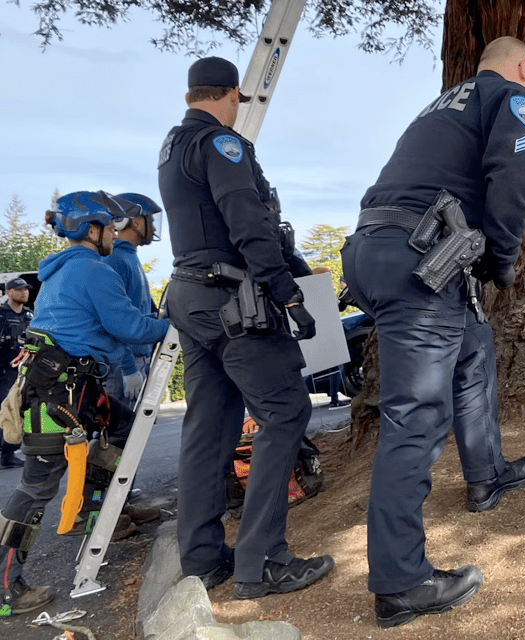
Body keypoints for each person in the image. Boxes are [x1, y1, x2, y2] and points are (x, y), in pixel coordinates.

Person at [341, 35, 525, 628]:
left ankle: (486, 475)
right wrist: (502, 260)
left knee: (472, 348)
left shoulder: (443, 104)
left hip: (378, 250)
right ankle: (402, 582)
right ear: (520, 69)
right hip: (420, 256)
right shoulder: (513, 99)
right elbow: (515, 176)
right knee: (416, 416)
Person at [157, 56, 333, 600]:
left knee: (210, 426)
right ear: (232, 96)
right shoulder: (221, 144)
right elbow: (248, 220)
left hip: (190, 294)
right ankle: (263, 563)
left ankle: (205, 560)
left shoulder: (171, 146)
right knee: (286, 412)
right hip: (234, 300)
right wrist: (289, 291)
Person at [0, 191, 169, 616]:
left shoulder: (66, 269)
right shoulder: (93, 270)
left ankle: (98, 513)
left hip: (68, 385)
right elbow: (128, 325)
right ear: (91, 230)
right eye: (109, 227)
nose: (114, 233)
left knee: (121, 428)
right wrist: (178, 321)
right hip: (58, 390)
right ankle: (6, 585)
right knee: (37, 485)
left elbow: (104, 331)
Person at [102, 193, 162, 404]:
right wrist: (129, 369)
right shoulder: (116, 259)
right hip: (122, 366)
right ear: (134, 221)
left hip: (136, 361)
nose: (153, 228)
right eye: (150, 221)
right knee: (119, 434)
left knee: (129, 433)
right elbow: (114, 321)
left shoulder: (129, 256)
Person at [0, 278, 34, 469]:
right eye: (19, 289)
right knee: (4, 410)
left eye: (26, 290)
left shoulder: (30, 315)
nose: (24, 293)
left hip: (24, 372)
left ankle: (8, 453)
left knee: (18, 410)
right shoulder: (1, 314)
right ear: (9, 292)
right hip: (3, 370)